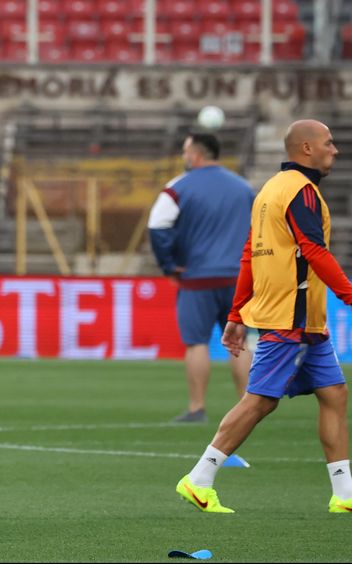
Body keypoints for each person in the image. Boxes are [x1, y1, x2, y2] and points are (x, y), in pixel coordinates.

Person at [176, 119, 352, 514]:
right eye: (329, 143)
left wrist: (237, 312)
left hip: (302, 320)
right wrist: (349, 294)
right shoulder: (301, 193)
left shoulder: (270, 191)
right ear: (306, 148)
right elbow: (315, 250)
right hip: (291, 316)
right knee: (259, 402)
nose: (335, 150)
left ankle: (344, 494)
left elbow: (249, 254)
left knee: (334, 394)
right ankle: (199, 479)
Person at [148, 132, 255, 423]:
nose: (184, 157)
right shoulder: (244, 188)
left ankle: (197, 408)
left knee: (196, 343)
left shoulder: (178, 187)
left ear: (195, 155)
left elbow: (157, 226)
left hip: (197, 278)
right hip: (238, 278)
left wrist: (169, 265)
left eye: (185, 152)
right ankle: (250, 410)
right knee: (240, 342)